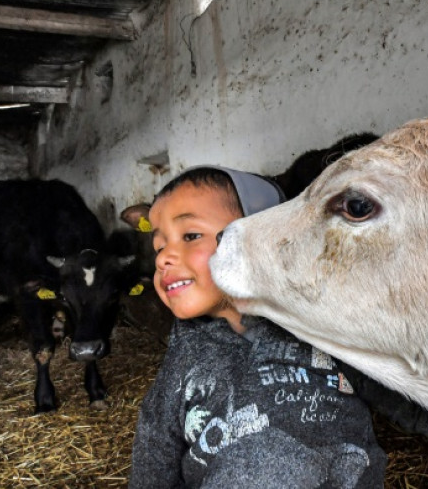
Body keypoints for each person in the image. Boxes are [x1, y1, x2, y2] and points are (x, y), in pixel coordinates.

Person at [129, 166, 387, 488]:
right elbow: (154, 453)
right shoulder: (182, 361)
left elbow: (394, 384)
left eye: (191, 236)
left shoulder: (319, 324)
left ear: (261, 239)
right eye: (158, 247)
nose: (163, 257)